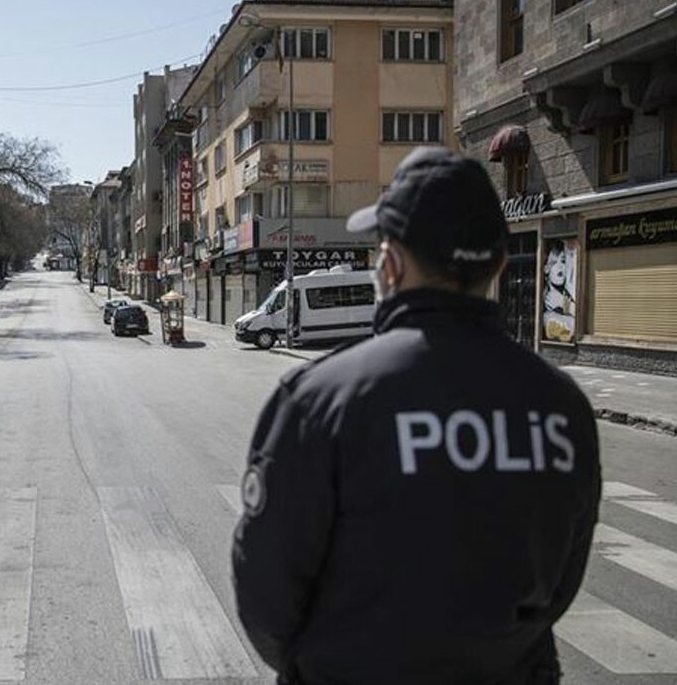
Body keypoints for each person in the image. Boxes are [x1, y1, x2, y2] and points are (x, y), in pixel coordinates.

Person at [232, 147, 600, 685]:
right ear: (498, 267)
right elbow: (561, 583)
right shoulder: (563, 406)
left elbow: (266, 591)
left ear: (391, 265)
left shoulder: (320, 400)